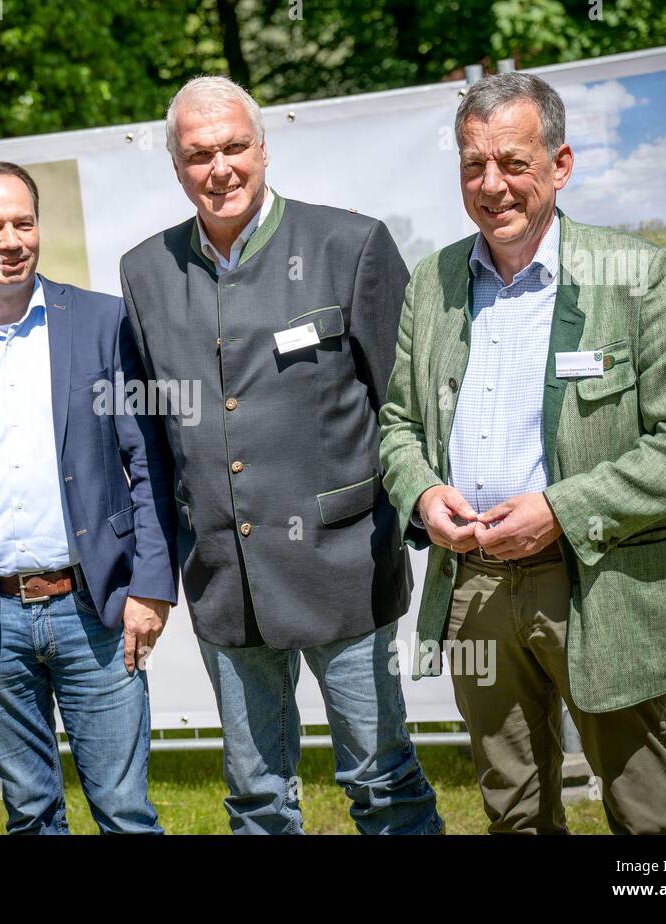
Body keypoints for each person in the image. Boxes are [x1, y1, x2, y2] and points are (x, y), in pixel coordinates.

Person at [379, 72, 666, 834]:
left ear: (560, 164)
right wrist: (419, 493)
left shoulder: (635, 275)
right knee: (513, 810)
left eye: (513, 163)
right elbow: (399, 424)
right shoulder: (434, 282)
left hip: (599, 586)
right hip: (474, 589)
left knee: (644, 811)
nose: (493, 185)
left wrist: (561, 511)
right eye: (474, 165)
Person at [118, 76, 442, 835]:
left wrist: (427, 513)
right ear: (176, 166)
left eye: (235, 147)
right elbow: (155, 437)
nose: (220, 168)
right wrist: (155, 569)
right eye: (200, 154)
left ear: (264, 149)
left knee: (381, 778)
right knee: (257, 796)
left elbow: (405, 405)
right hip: (225, 576)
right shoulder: (145, 272)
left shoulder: (348, 245)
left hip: (344, 566)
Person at [0, 161, 177, 834]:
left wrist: (153, 586)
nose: (10, 241)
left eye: (23, 222)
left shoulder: (103, 323)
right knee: (30, 814)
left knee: (126, 812)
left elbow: (148, 461)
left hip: (95, 611)